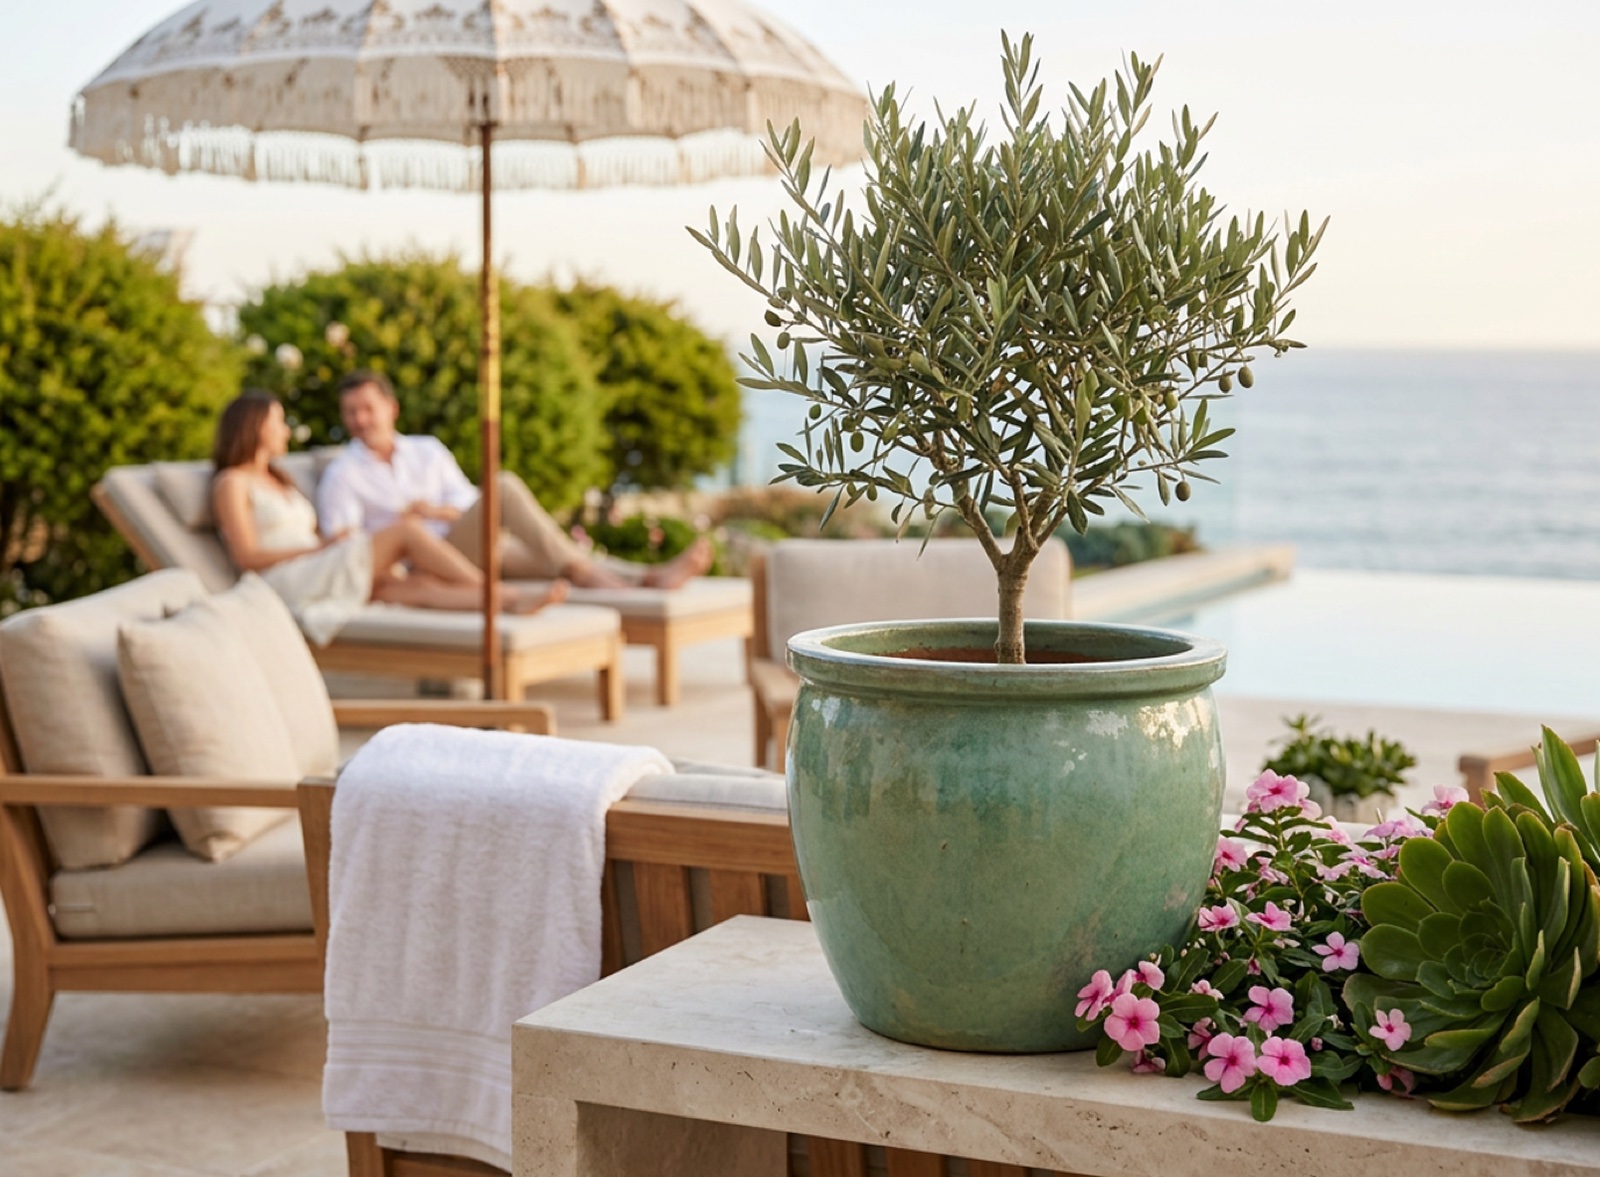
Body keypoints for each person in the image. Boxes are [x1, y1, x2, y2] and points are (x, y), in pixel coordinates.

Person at [211, 390, 567, 645]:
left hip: (317, 565)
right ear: (255, 426)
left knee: (411, 588)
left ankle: (507, 603)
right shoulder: (232, 482)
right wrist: (322, 547)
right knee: (405, 532)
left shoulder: (281, 480)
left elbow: (321, 535)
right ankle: (494, 590)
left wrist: (330, 544)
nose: (285, 430)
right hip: (285, 579)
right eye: (278, 422)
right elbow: (247, 557)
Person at [316, 371, 714, 590]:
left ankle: (648, 577)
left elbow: (466, 502)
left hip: (470, 543)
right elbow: (349, 547)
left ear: (391, 408)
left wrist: (430, 510)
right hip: (426, 562)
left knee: (550, 558)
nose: (360, 419)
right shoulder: (343, 474)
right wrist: (407, 528)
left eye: (367, 408)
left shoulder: (427, 450)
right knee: (503, 487)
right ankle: (595, 575)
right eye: (351, 412)